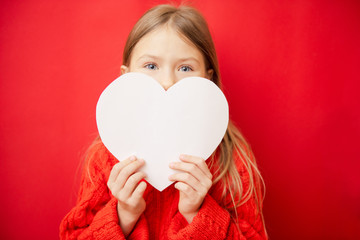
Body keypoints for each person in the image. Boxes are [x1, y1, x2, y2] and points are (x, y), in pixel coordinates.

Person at [60, 4, 267, 239]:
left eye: (185, 67)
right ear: (126, 76)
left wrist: (197, 213)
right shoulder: (104, 158)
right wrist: (124, 214)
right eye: (151, 66)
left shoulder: (231, 159)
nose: (167, 81)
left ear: (207, 78)